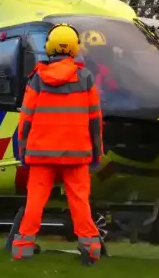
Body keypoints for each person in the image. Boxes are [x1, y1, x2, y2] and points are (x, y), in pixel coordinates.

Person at [12, 23, 104, 265]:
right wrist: (97, 152)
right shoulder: (85, 78)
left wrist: (23, 150)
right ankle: (92, 249)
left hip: (41, 153)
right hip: (77, 154)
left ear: (50, 47)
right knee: (80, 201)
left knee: (35, 202)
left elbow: (26, 119)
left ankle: (22, 249)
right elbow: (95, 119)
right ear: (74, 48)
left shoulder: (37, 79)